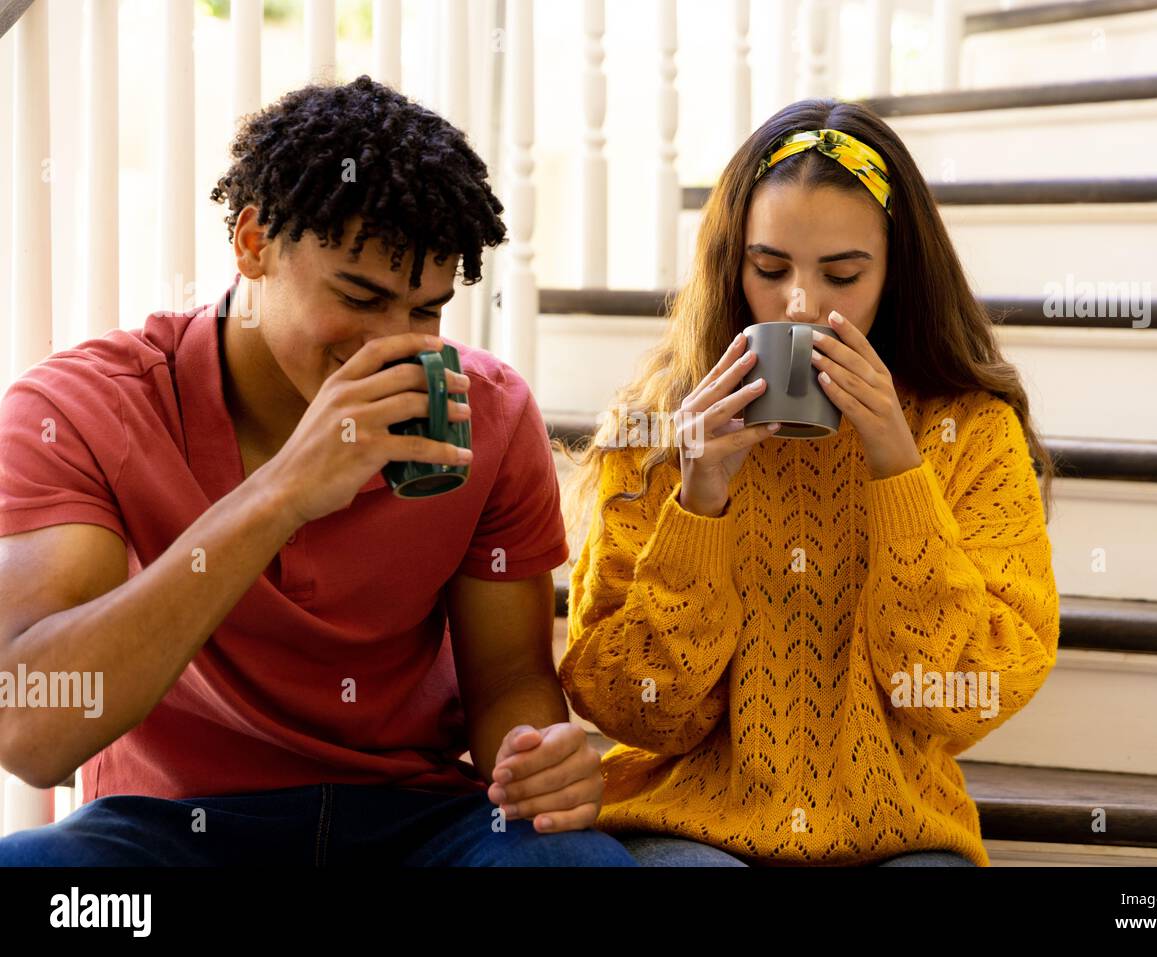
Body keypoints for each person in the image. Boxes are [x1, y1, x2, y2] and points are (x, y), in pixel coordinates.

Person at [0, 76, 634, 867]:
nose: (391, 342)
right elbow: (31, 734)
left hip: (417, 824)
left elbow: (507, 678)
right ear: (253, 242)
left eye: (425, 310)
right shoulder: (82, 409)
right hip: (173, 829)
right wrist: (283, 492)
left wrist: (539, 756)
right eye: (360, 295)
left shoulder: (491, 414)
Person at [555, 98, 1062, 867]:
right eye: (770, 269)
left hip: (899, 830)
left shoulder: (972, 432)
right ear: (734, 267)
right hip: (689, 824)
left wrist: (899, 468)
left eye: (842, 273)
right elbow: (634, 708)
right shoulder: (659, 430)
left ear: (897, 273)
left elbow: (962, 697)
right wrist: (698, 504)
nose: (800, 303)